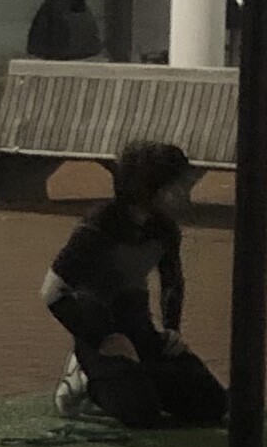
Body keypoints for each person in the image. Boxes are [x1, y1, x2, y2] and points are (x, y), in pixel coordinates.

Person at [41, 137, 210, 421]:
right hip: (102, 335)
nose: (184, 192)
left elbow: (172, 281)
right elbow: (52, 292)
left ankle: (139, 377)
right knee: (142, 413)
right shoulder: (97, 227)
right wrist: (103, 339)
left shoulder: (164, 229)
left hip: (139, 329)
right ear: (150, 188)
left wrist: (172, 330)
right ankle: (82, 376)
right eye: (176, 185)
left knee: (210, 403)